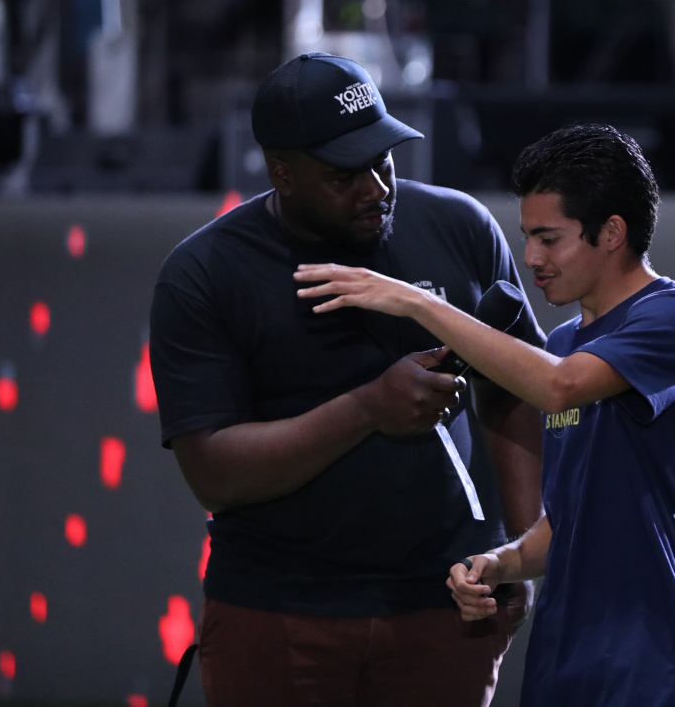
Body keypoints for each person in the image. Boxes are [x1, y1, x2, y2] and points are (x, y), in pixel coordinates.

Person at [148, 52, 545, 707]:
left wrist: (522, 552)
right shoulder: (207, 272)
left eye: (382, 160)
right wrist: (367, 409)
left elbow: (517, 389)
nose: (376, 188)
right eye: (344, 174)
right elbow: (212, 474)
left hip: (446, 602)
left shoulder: (459, 226)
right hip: (278, 607)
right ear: (282, 171)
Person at [295, 123, 675, 706]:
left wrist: (417, 302)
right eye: (527, 238)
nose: (531, 259)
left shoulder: (672, 317)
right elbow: (568, 520)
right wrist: (501, 563)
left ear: (612, 232)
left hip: (648, 663)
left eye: (549, 239)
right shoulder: (564, 342)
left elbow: (559, 388)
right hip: (559, 663)